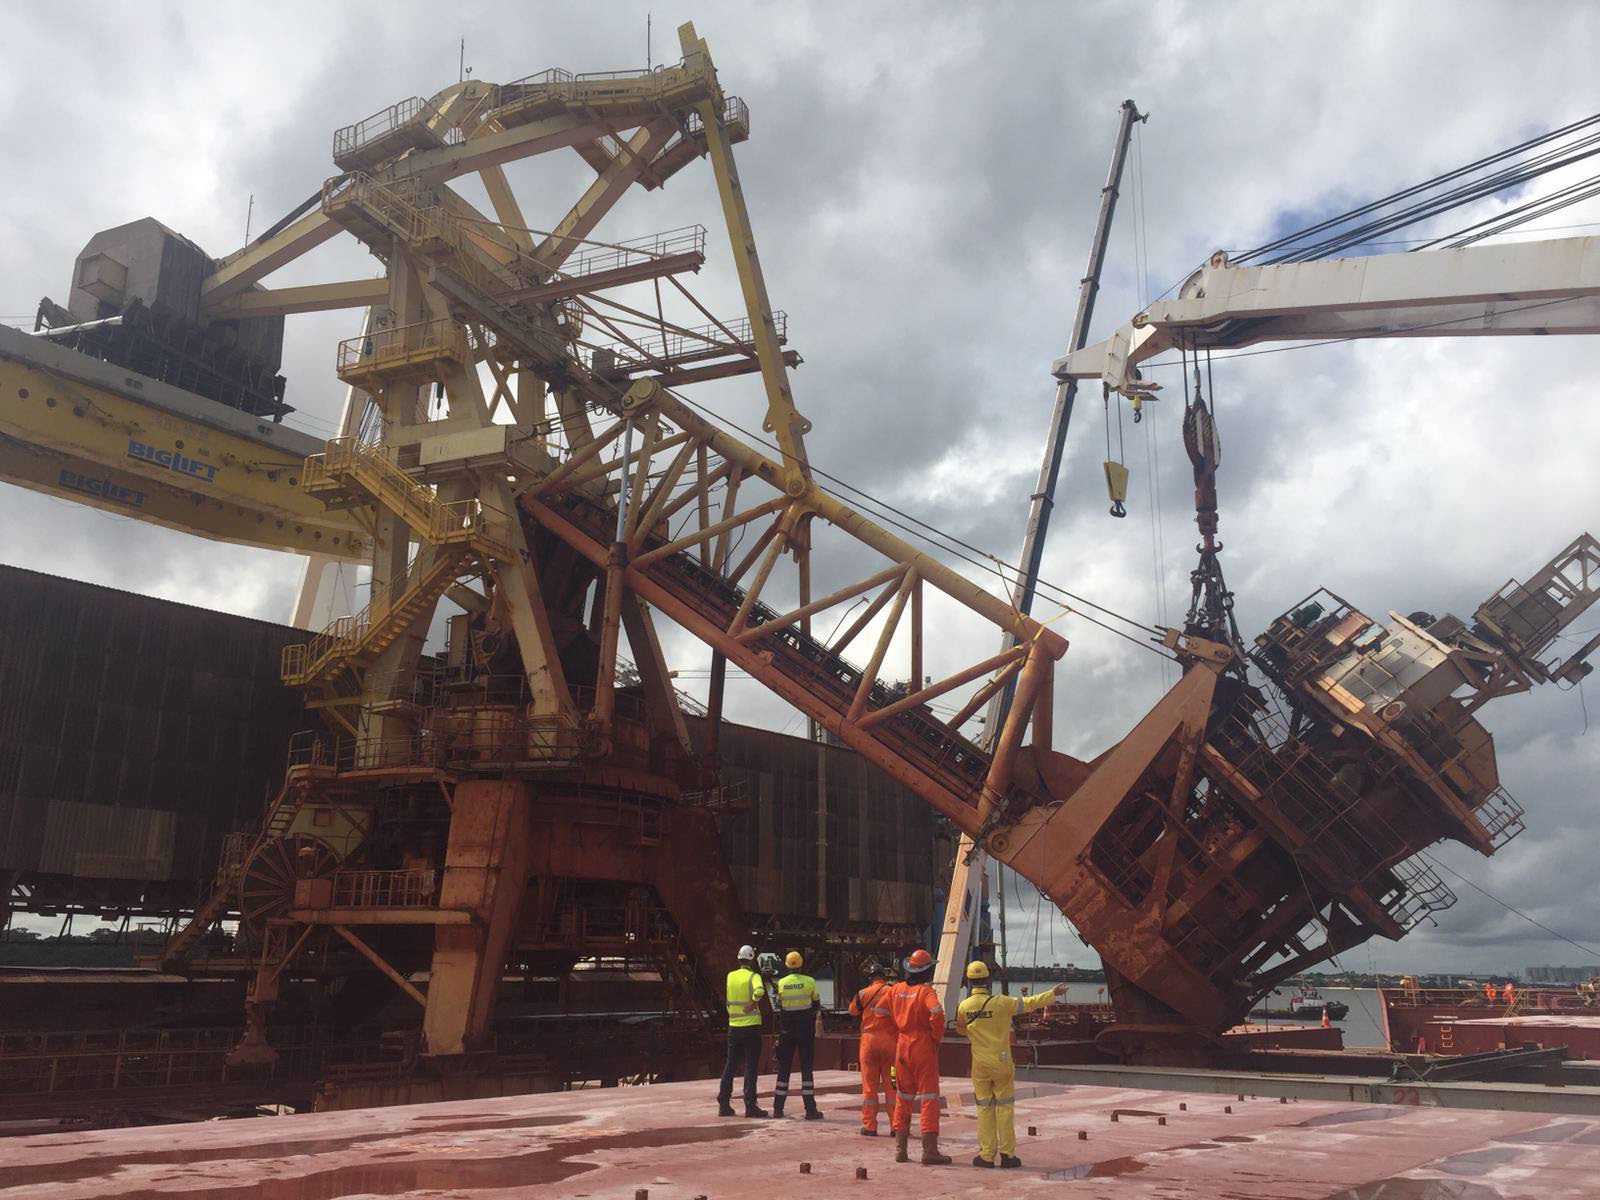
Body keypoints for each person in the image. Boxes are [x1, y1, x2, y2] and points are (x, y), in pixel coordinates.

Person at [957, 960, 1063, 1169]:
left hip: (980, 1064)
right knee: (1005, 1108)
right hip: (1002, 1061)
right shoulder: (1001, 1003)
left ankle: (986, 1156)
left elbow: (961, 1030)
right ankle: (1008, 1155)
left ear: (968, 981)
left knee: (984, 1109)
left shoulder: (964, 1006)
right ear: (988, 980)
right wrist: (1052, 994)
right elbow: (1029, 1003)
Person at [888, 947, 949, 1165]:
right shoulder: (926, 992)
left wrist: (898, 1031)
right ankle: (929, 1151)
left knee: (903, 1097)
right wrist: (935, 1038)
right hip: (922, 1045)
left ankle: (901, 1150)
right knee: (929, 1098)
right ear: (927, 971)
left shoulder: (896, 990)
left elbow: (883, 1013)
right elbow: (937, 1014)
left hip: (902, 1044)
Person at [717, 944, 770, 1118]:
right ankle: (750, 1105)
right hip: (751, 1027)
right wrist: (754, 1002)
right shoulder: (754, 976)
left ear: (739, 959)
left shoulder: (730, 976)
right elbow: (760, 990)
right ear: (752, 959)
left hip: (734, 1026)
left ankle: (724, 1103)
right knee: (751, 1066)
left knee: (730, 1064)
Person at [771, 950, 824, 1120]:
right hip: (805, 1031)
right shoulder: (810, 981)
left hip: (787, 1031)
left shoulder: (781, 983)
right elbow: (816, 1004)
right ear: (801, 964)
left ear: (787, 966)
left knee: (784, 1069)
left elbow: (779, 1006)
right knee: (806, 1069)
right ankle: (810, 1109)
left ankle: (778, 1109)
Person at [848, 961, 896, 1136]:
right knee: (893, 1086)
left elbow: (852, 1011)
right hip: (891, 1045)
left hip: (869, 1044)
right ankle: (896, 1126)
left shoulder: (863, 993)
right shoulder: (893, 992)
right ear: (884, 976)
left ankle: (870, 1126)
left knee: (869, 1087)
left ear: (870, 978)